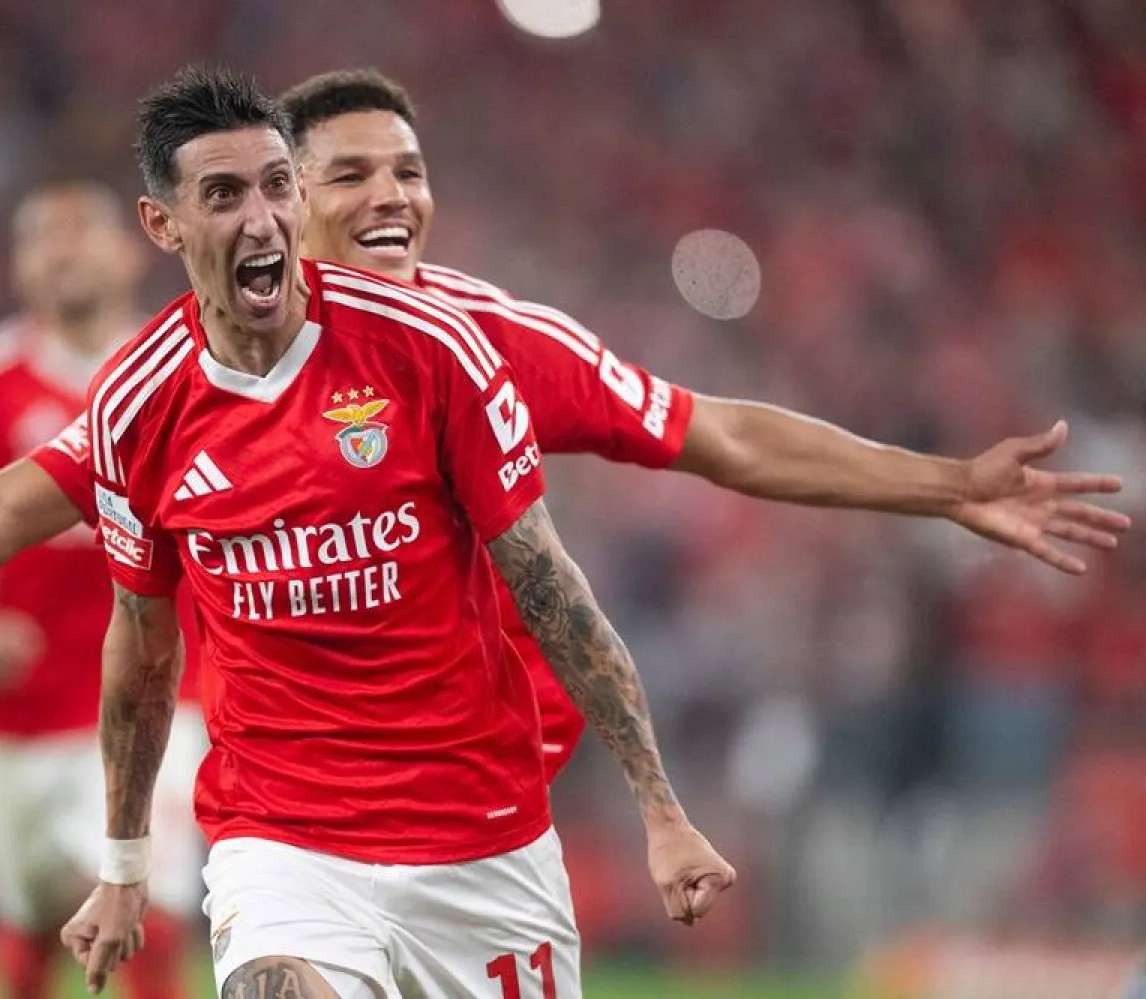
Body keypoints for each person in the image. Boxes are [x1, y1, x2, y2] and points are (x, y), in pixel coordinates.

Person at [0, 65, 1130, 987]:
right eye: (347, 170)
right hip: (283, 822)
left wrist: (945, 481)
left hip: (486, 823)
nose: (385, 197)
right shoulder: (161, 383)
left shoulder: (482, 343)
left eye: (404, 170)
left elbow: (718, 435)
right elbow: (9, 505)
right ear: (232, 211)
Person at [62, 64, 733, 998]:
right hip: (281, 839)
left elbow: (551, 591)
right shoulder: (135, 406)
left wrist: (661, 812)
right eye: (222, 194)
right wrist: (127, 866)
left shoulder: (431, 348)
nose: (260, 220)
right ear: (161, 224)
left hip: (480, 835)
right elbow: (140, 646)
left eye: (276, 186)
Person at [0, 180, 204, 999]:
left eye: (80, 232)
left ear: (134, 248)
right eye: (38, 238)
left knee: (153, 908)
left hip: (163, 695)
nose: (61, 250)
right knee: (29, 925)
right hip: (19, 708)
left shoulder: (188, 372)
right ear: (17, 268)